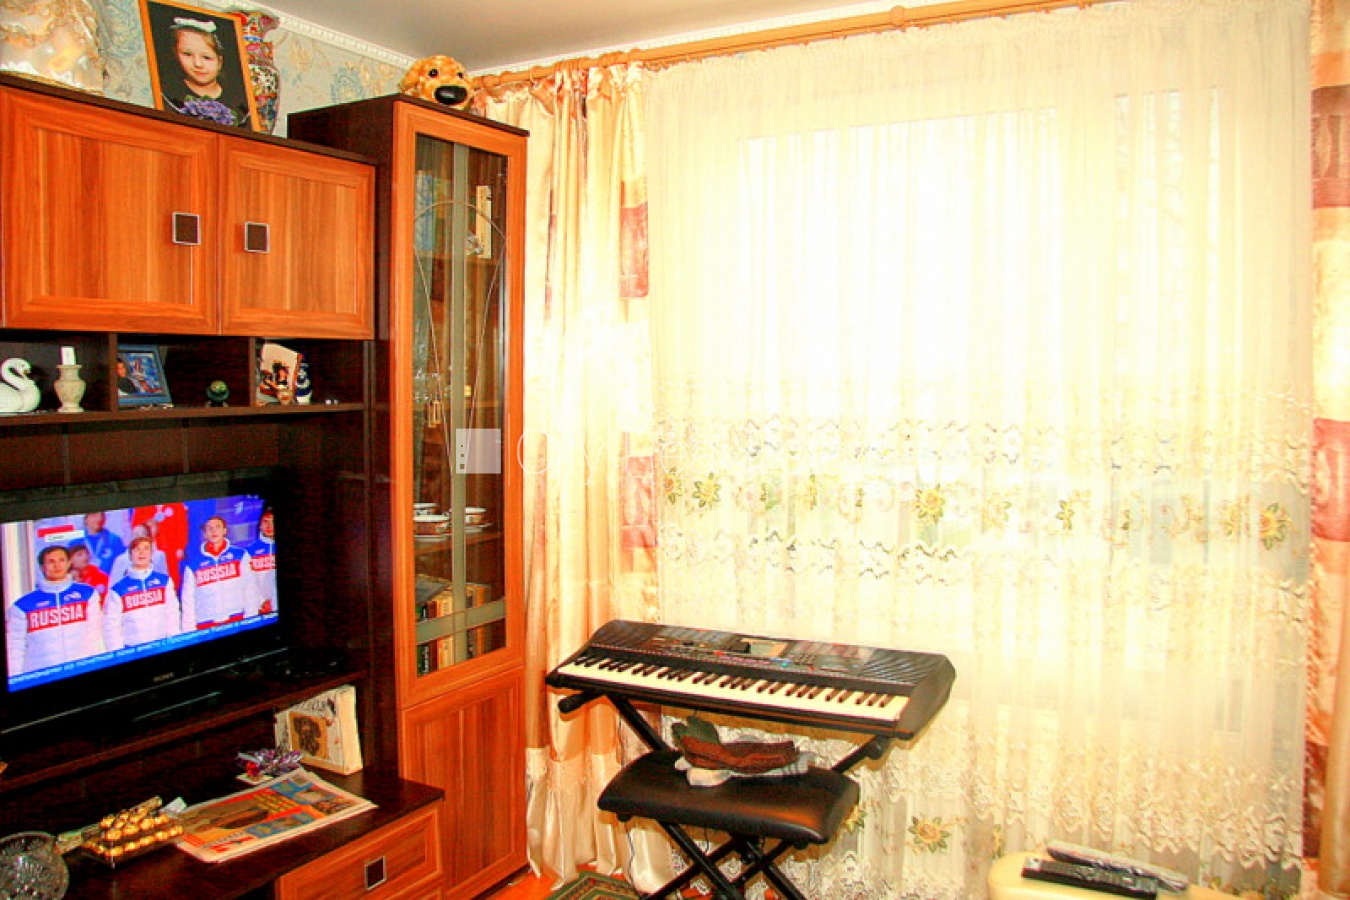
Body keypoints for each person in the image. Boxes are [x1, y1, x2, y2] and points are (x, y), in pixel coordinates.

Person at [5, 545, 104, 676]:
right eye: (51, 561)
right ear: (42, 567)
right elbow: (15, 648)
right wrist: (15, 679)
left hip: (82, 669)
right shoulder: (23, 606)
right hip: (41, 676)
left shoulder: (87, 593)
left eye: (61, 560)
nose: (57, 565)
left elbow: (96, 634)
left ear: (69, 563)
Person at [159, 17, 251, 128]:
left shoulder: (238, 101)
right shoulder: (169, 95)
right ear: (176, 54)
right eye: (187, 54)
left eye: (206, 57)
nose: (198, 64)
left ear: (220, 61)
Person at [179, 515, 259, 629]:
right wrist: (189, 629)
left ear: (225, 530)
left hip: (238, 618)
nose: (213, 531)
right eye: (209, 528)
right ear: (204, 534)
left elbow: (250, 588)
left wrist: (251, 619)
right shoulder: (193, 564)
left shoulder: (240, 555)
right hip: (206, 624)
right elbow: (188, 600)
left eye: (217, 527)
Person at [104, 536, 182, 651]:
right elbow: (112, 625)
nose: (141, 553)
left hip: (164, 645)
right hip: (132, 650)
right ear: (130, 555)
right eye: (137, 549)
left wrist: (175, 643)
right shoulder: (118, 589)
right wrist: (119, 654)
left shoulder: (164, 581)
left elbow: (172, 614)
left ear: (151, 554)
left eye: (146, 548)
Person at [246, 507, 276, 615]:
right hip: (261, 608)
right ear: (260, 525)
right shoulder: (249, 551)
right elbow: (248, 582)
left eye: (273, 522)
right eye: (265, 522)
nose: (269, 526)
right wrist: (261, 602)